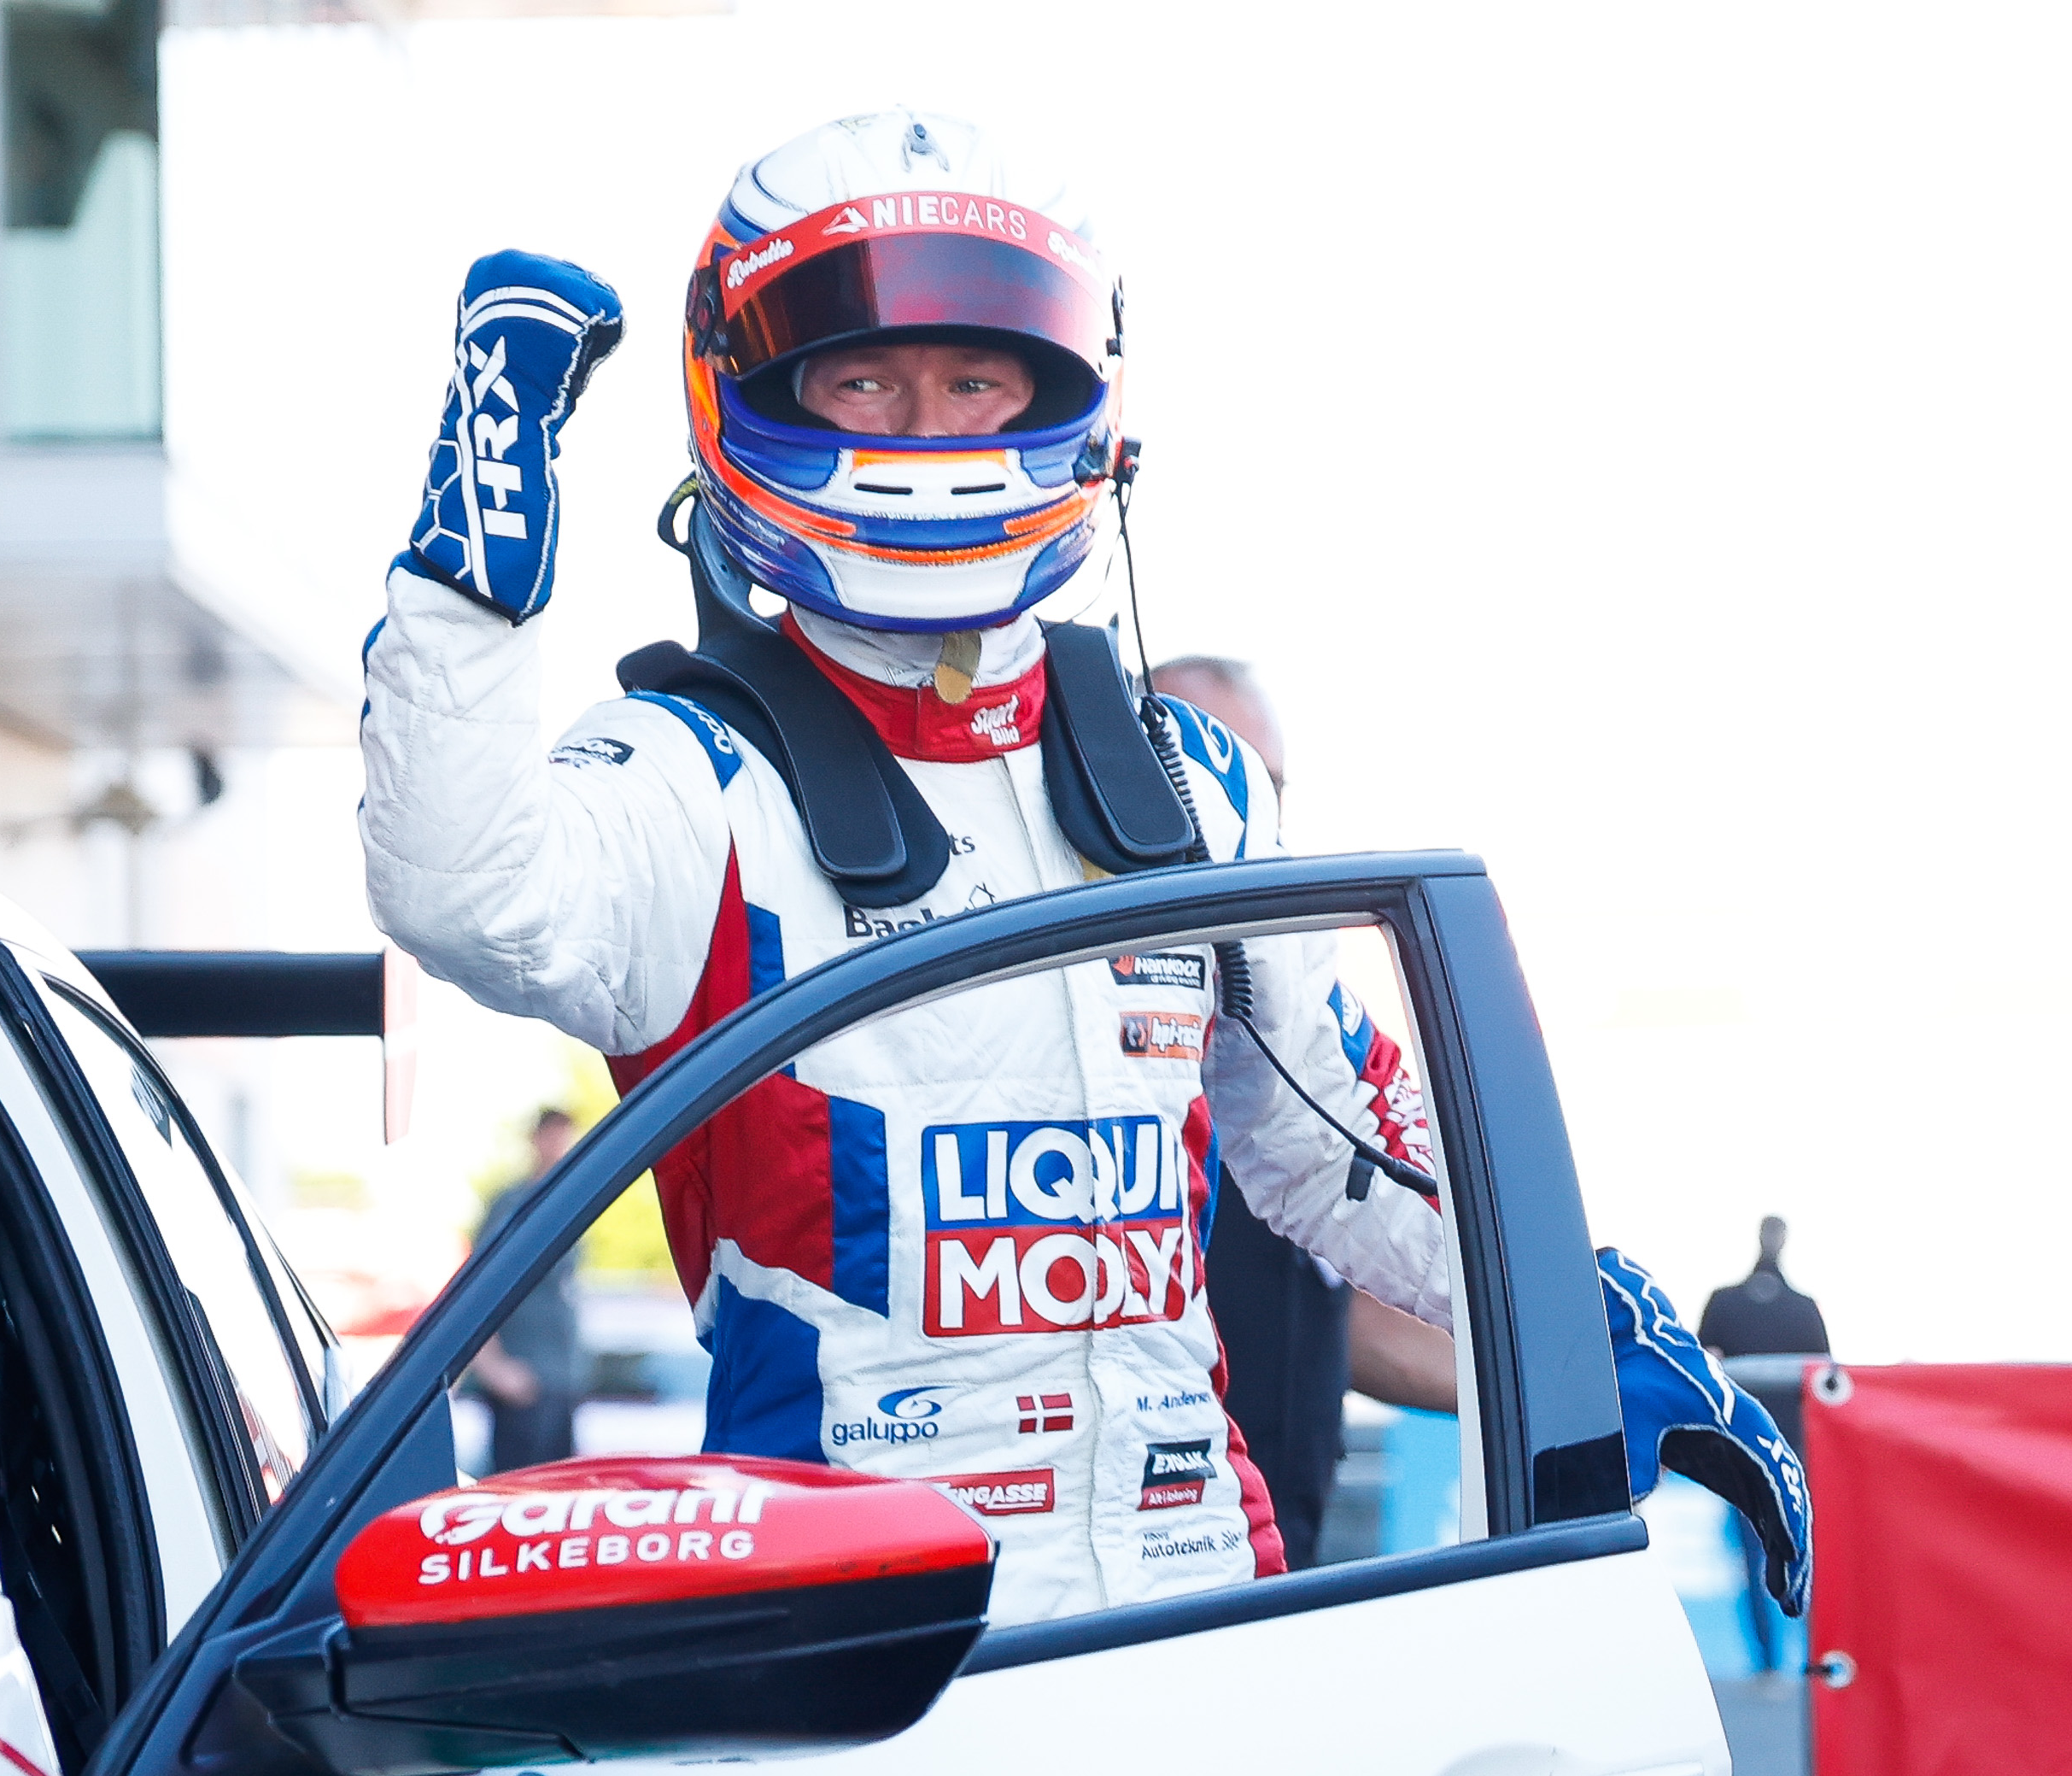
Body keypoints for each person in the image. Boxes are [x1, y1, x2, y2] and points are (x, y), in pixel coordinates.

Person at [361, 108, 1806, 1621]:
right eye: (865, 378)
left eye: (974, 381)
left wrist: (1597, 1319)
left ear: (1064, 395)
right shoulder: (688, 773)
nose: (926, 431)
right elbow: (461, 892)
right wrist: (477, 545)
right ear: (762, 392)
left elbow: (1342, 1148)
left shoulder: (1187, 777)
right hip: (856, 1649)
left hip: (1198, 1602)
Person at [1154, 654, 1457, 1567]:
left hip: (1285, 1552)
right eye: (1197, 769)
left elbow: (1358, 1313)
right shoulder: (1131, 1056)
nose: (1234, 806)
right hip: (1164, 1550)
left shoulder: (1282, 1039)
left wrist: (1559, 1374)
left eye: (1264, 785)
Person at [468, 1105, 588, 1469]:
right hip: (522, 1381)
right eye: (552, 1137)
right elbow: (477, 1290)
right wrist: (493, 1366)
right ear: (536, 1140)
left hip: (561, 1382)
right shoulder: (512, 1206)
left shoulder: (572, 1201)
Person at [1698, 1218, 1832, 1357]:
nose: (1772, 1238)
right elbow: (1702, 1355)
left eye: (1776, 1232)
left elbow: (1821, 1365)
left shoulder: (1806, 1309)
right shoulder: (1722, 1303)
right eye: (1770, 1231)